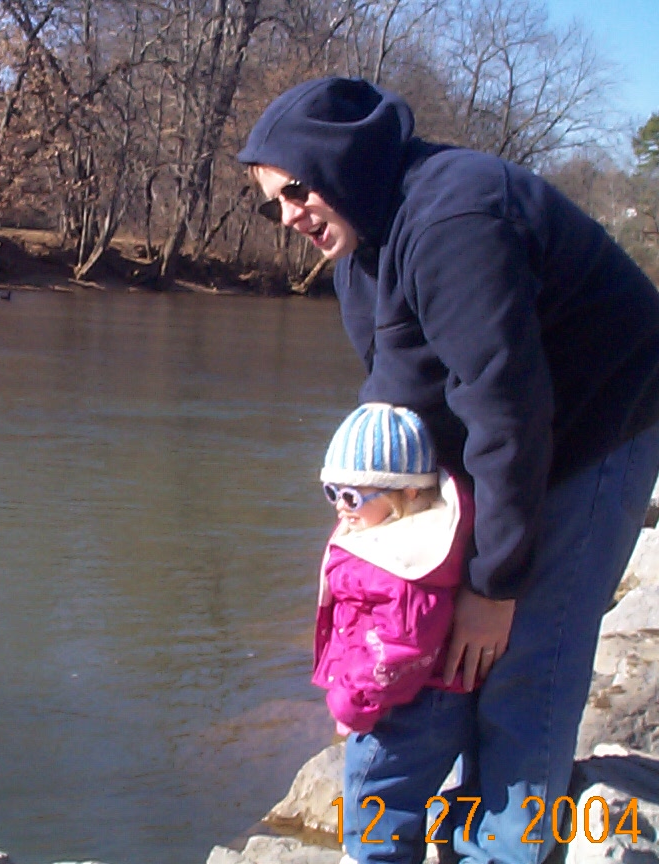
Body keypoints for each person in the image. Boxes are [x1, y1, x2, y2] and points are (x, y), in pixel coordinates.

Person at [237, 77, 659, 864]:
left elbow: (506, 414)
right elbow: (405, 400)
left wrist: (494, 586)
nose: (287, 216)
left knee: (529, 655)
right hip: (515, 425)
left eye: (295, 190)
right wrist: (379, 522)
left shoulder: (456, 220)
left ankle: (507, 847)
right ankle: (449, 828)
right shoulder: (359, 248)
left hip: (602, 412)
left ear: (342, 161)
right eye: (272, 206)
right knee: (436, 642)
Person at [314, 403, 474, 864]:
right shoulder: (393, 536)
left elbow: (399, 648)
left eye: (352, 497)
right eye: (331, 492)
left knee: (375, 803)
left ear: (407, 492)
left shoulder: (404, 570)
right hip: (411, 698)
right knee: (392, 799)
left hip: (405, 707)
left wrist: (352, 703)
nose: (339, 508)